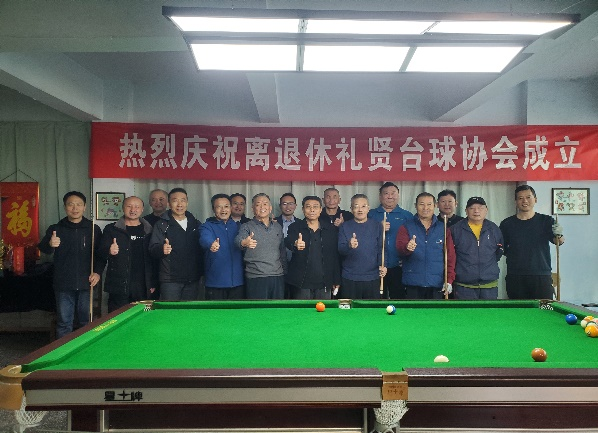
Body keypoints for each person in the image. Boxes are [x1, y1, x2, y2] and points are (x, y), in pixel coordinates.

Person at [38, 191, 103, 339]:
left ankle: (85, 350)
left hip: (87, 283)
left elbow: (100, 255)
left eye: (79, 204)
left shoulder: (93, 229)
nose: (75, 208)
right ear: (65, 207)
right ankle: (63, 351)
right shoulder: (56, 228)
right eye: (71, 204)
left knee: (86, 322)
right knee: (64, 323)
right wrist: (50, 244)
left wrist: (98, 272)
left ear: (84, 207)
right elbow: (43, 249)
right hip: (63, 284)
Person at [499, 185, 565, 299]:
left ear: (535, 199)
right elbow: (502, 248)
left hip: (541, 275)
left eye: (528, 197)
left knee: (545, 307)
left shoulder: (546, 221)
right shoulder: (507, 224)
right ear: (516, 202)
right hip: (515, 276)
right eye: (520, 198)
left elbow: (559, 241)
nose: (524, 201)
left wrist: (559, 234)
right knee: (517, 309)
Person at [98, 196, 155, 312]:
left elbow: (154, 259)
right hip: (118, 284)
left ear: (142, 209)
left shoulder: (149, 230)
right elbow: (100, 253)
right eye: (129, 206)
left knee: (142, 317)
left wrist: (153, 283)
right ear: (123, 208)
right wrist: (109, 250)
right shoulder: (112, 229)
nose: (133, 210)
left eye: (137, 207)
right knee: (117, 316)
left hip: (143, 284)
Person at [397, 192, 455, 299]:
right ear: (415, 206)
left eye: (429, 204)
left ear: (435, 206)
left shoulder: (443, 228)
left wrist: (449, 280)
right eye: (421, 204)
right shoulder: (406, 226)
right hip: (412, 283)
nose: (425, 208)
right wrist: (407, 248)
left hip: (436, 284)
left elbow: (450, 257)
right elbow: (400, 250)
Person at [149, 188, 203, 301]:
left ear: (187, 203)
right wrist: (161, 249)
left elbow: (202, 248)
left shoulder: (195, 223)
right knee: (170, 310)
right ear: (169, 204)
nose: (179, 204)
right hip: (170, 280)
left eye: (183, 200)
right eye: (175, 200)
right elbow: (152, 248)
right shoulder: (161, 224)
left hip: (192, 279)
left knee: (189, 310)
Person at [285, 196, 341, 299]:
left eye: (315, 207)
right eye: (308, 207)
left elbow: (334, 256)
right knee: (302, 309)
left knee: (323, 309)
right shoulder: (295, 227)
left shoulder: (330, 229)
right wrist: (295, 243)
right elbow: (288, 241)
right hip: (301, 282)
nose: (312, 210)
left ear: (320, 209)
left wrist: (336, 279)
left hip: (324, 282)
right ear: (303, 209)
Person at [235, 193, 287, 299]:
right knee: (258, 309)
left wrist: (285, 272)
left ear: (270, 208)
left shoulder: (277, 227)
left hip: (277, 276)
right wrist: (244, 243)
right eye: (258, 204)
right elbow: (238, 240)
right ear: (252, 209)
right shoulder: (247, 226)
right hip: (256, 277)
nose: (262, 207)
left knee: (277, 308)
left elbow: (282, 251)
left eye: (265, 204)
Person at [450, 197, 504, 300]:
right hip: (464, 286)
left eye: (480, 208)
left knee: (489, 311)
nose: (476, 211)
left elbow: (499, 252)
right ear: (466, 211)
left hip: (489, 285)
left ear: (486, 210)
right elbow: (450, 256)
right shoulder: (455, 230)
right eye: (472, 208)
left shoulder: (494, 229)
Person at [367, 182, 412, 299]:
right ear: (380, 197)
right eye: (386, 193)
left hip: (399, 266)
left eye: (393, 193)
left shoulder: (407, 216)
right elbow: (363, 237)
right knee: (377, 299)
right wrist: (378, 228)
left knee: (398, 298)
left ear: (398, 195)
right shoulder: (370, 215)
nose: (390, 196)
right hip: (375, 267)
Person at [338, 194, 386, 299]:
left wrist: (383, 266)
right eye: (356, 206)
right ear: (351, 209)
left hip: (372, 277)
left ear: (368, 208)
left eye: (363, 206)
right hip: (349, 277)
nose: (360, 210)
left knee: (371, 308)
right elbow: (340, 250)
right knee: (349, 308)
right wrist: (349, 245)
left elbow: (381, 249)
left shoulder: (377, 226)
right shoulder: (344, 226)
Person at [199, 194, 244, 300]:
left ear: (231, 208)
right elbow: (204, 238)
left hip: (238, 282)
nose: (223, 210)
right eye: (219, 207)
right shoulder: (206, 226)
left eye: (226, 206)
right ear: (213, 209)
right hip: (215, 283)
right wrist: (211, 244)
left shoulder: (238, 226)